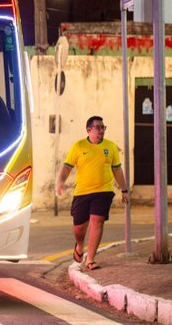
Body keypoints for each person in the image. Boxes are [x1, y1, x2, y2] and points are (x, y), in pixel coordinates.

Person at [56, 116, 128, 271]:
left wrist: (124, 189)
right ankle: (80, 245)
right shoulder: (79, 146)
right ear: (89, 130)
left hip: (103, 191)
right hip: (82, 192)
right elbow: (67, 167)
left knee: (97, 221)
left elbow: (117, 169)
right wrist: (60, 182)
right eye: (98, 127)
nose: (101, 130)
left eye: (103, 127)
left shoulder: (111, 147)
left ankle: (90, 259)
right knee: (79, 228)